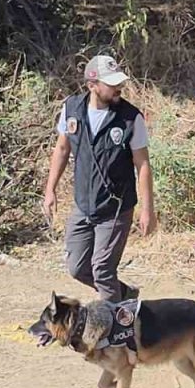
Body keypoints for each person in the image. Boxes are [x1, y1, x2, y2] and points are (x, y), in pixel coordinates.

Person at [42, 54, 157, 303]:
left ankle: (117, 331)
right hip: (83, 205)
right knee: (77, 268)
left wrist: (147, 210)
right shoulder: (71, 109)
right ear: (92, 85)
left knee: (103, 271)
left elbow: (143, 164)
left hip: (116, 207)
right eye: (111, 83)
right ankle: (125, 296)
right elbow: (62, 150)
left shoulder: (130, 118)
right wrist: (50, 190)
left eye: (119, 82)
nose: (119, 88)